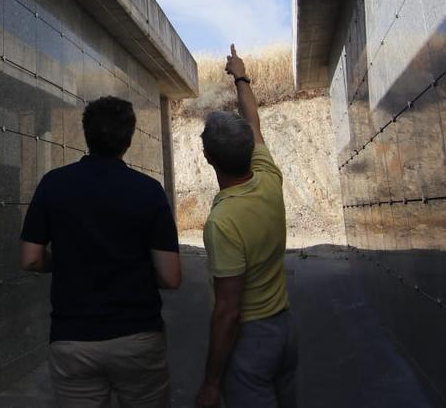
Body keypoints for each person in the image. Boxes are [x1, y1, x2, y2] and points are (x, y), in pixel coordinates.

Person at [20, 95, 182, 408]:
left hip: (73, 339)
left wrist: (63, 262)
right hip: (137, 336)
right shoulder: (149, 191)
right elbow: (171, 276)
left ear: (87, 134)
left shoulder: (53, 184)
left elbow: (31, 258)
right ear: (129, 139)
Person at [195, 45, 297, 408]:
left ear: (208, 158)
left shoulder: (222, 222)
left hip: (251, 341)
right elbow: (253, 121)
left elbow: (228, 311)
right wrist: (240, 75)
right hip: (284, 329)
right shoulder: (269, 176)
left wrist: (211, 383)